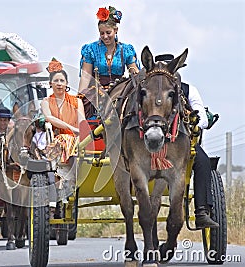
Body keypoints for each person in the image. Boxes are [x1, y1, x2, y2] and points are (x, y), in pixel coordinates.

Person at [155, 54, 219, 229]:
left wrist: (197, 118)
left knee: (203, 162)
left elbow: (202, 116)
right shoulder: (151, 91)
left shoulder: (189, 90)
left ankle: (201, 211)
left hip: (182, 145)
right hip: (154, 145)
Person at [41, 58, 85, 205]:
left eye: (62, 81)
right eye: (56, 81)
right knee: (65, 139)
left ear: (66, 83)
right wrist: (71, 128)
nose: (59, 84)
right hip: (56, 141)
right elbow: (49, 117)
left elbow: (82, 121)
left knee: (75, 141)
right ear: (50, 84)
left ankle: (71, 179)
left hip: (78, 139)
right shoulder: (46, 102)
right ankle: (67, 181)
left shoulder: (76, 101)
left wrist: (79, 133)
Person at [78, 5, 140, 93]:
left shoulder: (126, 50)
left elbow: (135, 72)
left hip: (119, 92)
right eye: (102, 33)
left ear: (116, 30)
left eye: (108, 32)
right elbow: (85, 77)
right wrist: (79, 97)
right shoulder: (90, 50)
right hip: (96, 93)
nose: (105, 36)